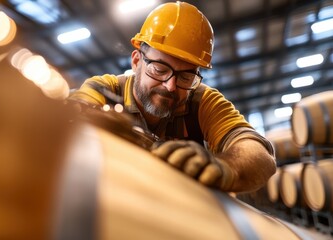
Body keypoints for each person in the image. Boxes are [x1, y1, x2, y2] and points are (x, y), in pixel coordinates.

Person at [68, 1, 276, 193]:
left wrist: (226, 167)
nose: (170, 86)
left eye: (186, 76)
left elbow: (259, 154)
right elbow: (69, 123)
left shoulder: (203, 101)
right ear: (136, 61)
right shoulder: (106, 89)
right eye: (159, 69)